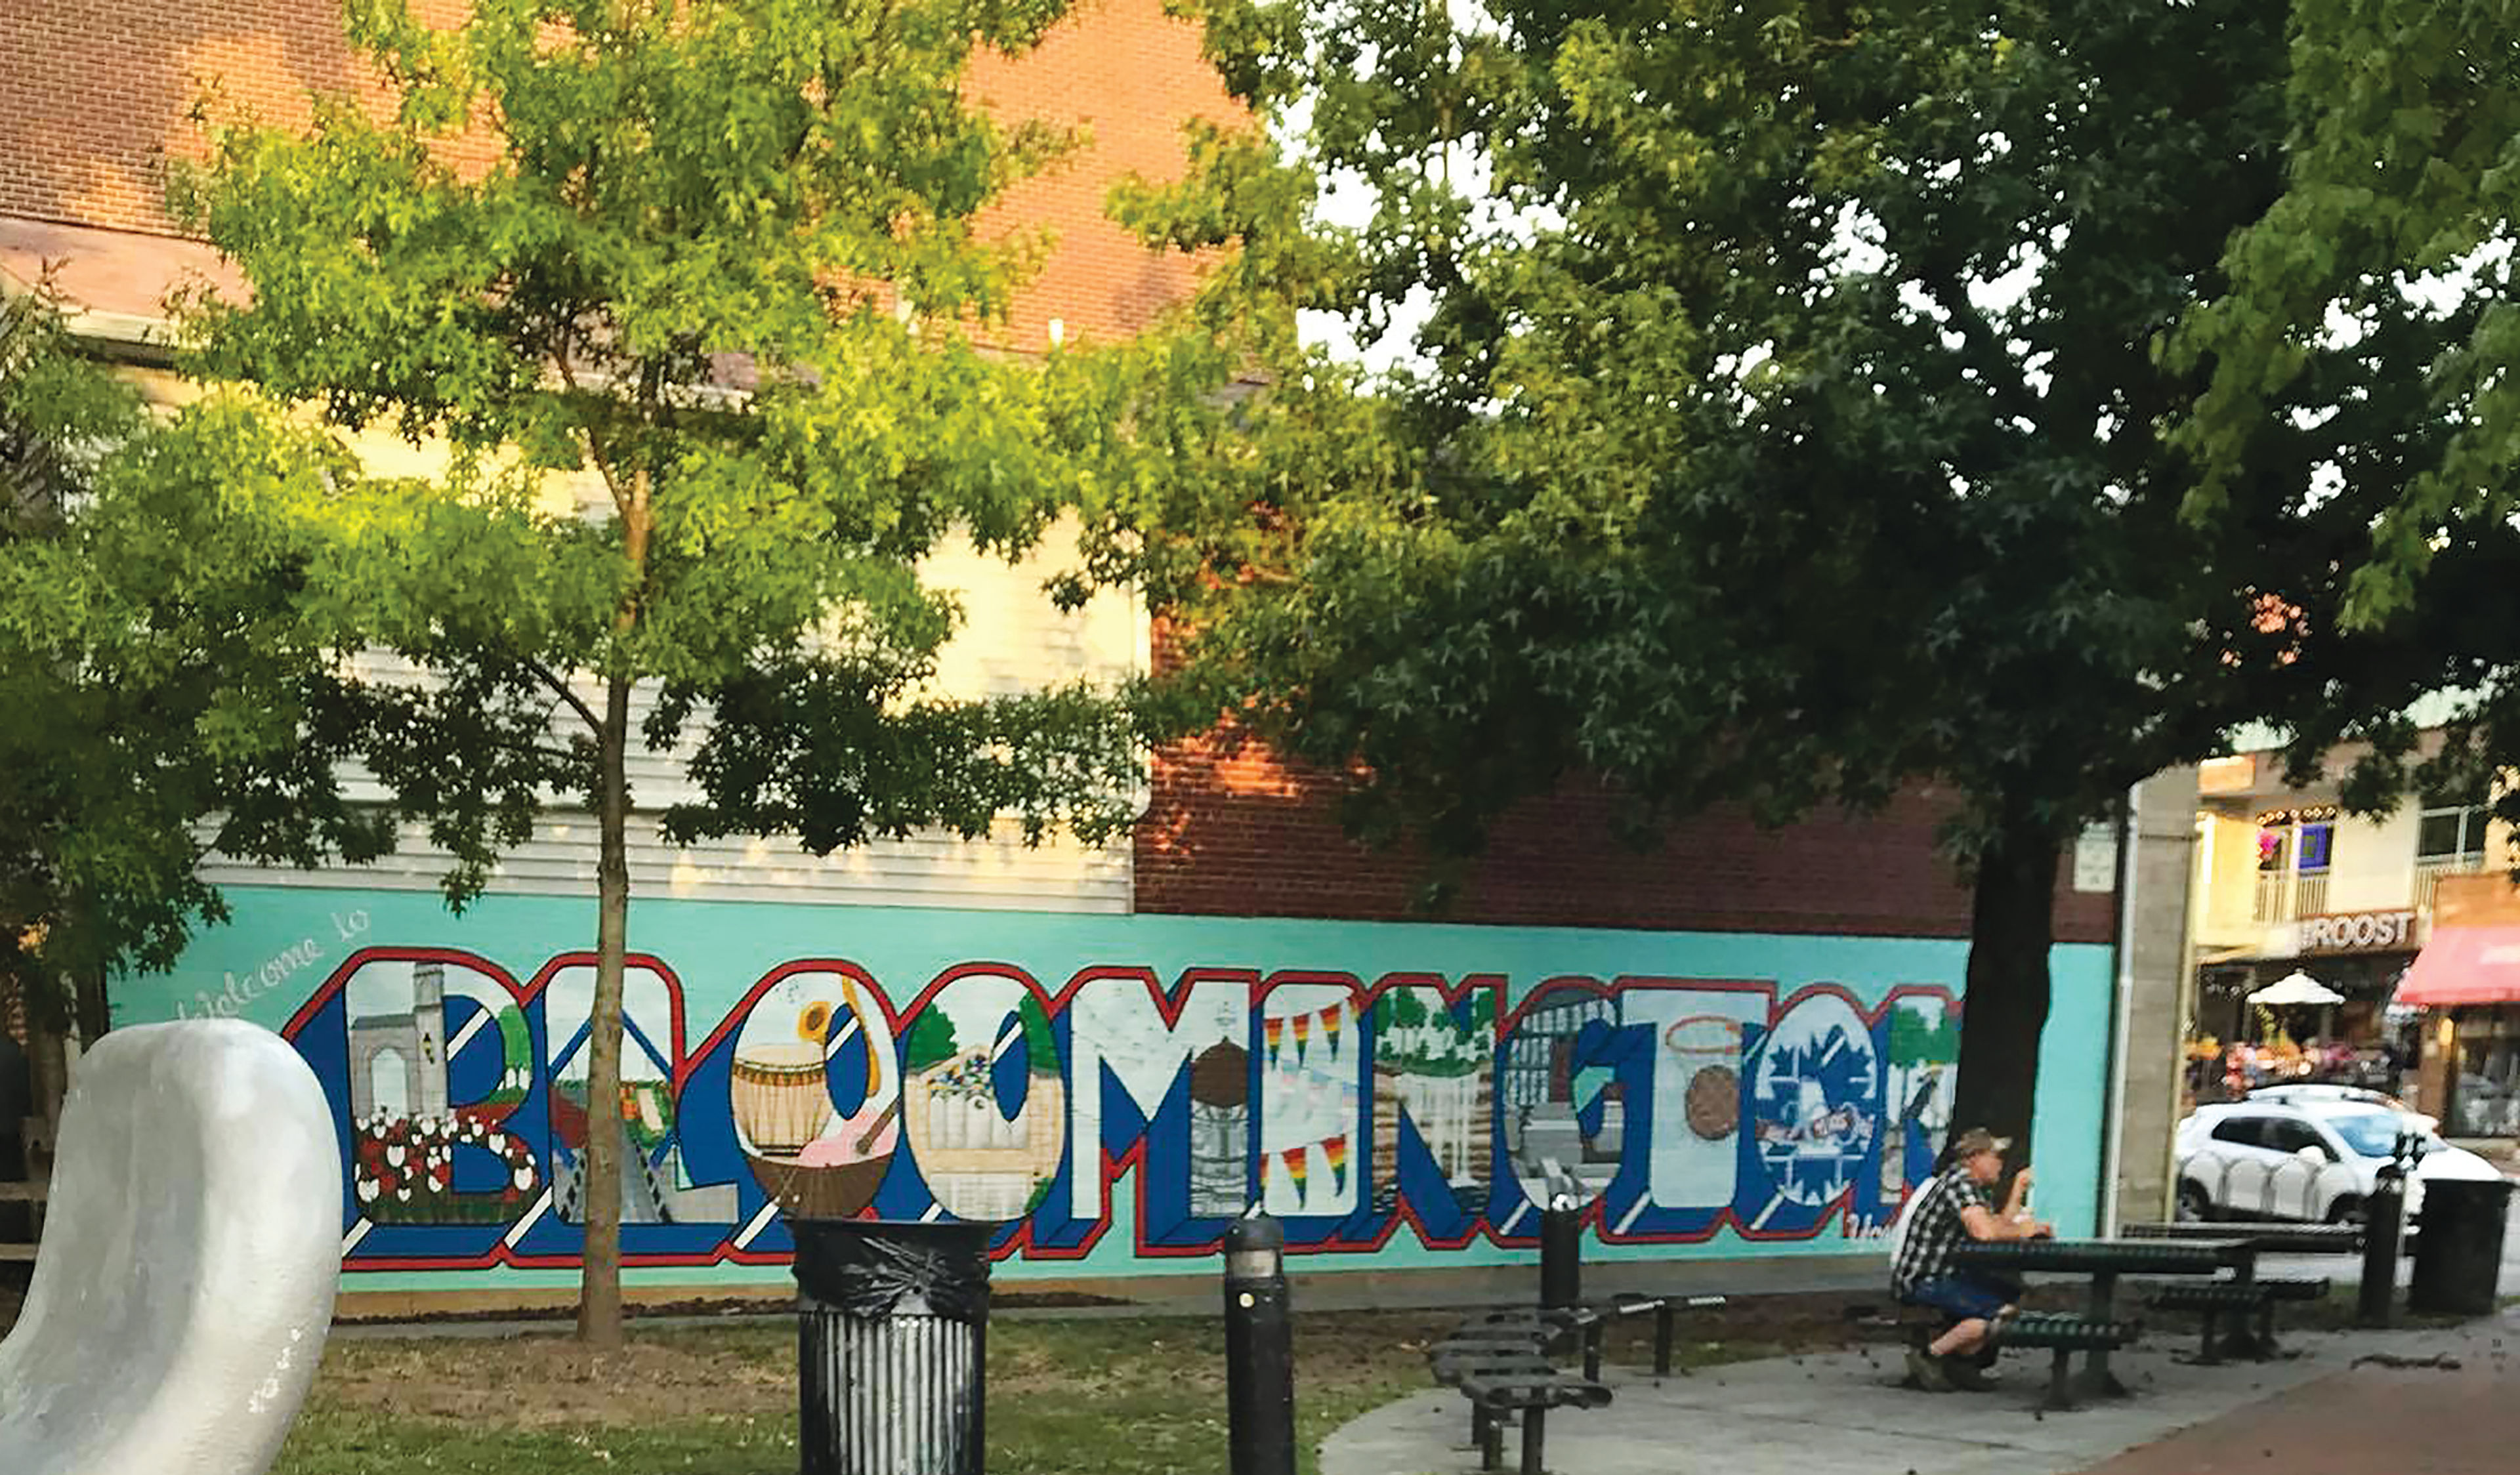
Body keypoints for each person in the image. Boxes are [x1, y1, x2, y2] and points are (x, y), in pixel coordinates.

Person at [1889, 1126, 2051, 1392]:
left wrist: (2017, 1192)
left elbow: (1997, 1224)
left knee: (2007, 1291)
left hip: (1944, 1275)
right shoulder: (1960, 1184)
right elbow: (1986, 1232)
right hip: (1925, 1279)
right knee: (2001, 1315)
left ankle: (1960, 1365)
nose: (2001, 1163)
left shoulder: (1970, 1186)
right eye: (1996, 1156)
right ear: (1975, 1158)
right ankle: (1931, 1356)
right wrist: (2024, 1231)